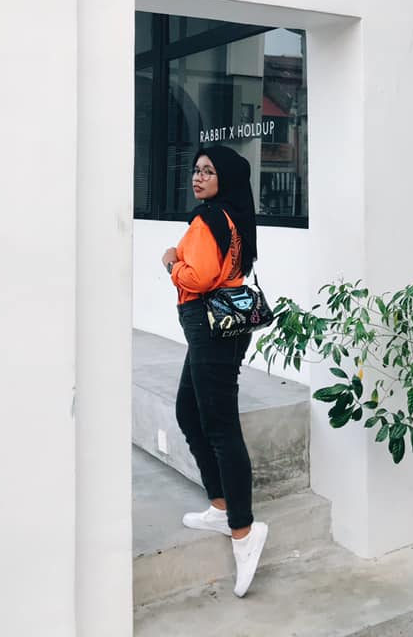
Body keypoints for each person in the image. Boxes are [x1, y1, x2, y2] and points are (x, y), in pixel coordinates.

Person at [161, 144, 268, 598]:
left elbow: (199, 278)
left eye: (208, 171)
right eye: (196, 170)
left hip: (211, 330)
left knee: (220, 427)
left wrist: (172, 262)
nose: (198, 177)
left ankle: (244, 531)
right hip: (219, 329)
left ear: (225, 177)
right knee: (190, 412)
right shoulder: (232, 218)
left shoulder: (209, 220)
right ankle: (221, 507)